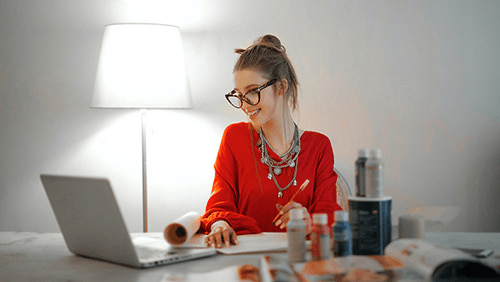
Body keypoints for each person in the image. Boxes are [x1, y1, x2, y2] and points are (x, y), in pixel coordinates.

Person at [201, 34, 341, 248]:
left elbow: (329, 212)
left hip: (300, 259)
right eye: (239, 95)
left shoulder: (319, 146)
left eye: (252, 92)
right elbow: (218, 206)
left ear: (281, 87)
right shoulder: (234, 138)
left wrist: (308, 220)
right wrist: (220, 224)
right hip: (245, 261)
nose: (245, 105)